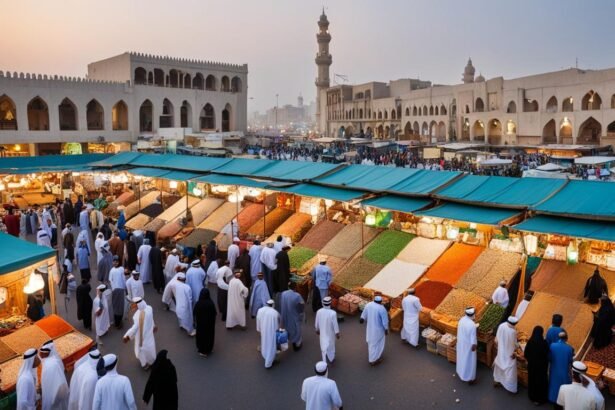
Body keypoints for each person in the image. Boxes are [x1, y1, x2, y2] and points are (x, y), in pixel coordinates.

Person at [123, 297, 157, 370]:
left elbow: (134, 329)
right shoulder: (149, 308)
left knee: (140, 351)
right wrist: (154, 326)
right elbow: (151, 318)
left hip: (141, 337)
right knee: (150, 348)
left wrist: (127, 336)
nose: (132, 306)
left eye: (134, 304)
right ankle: (151, 362)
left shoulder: (137, 316)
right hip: (149, 334)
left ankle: (144, 364)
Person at [523, 326, 549, 405]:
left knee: (533, 381)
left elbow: (526, 354)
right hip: (542, 367)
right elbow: (547, 354)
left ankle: (533, 397)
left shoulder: (530, 342)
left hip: (532, 366)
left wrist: (531, 360)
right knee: (541, 382)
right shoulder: (544, 343)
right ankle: (540, 399)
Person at [40, 340, 69, 410]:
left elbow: (61, 386)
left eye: (44, 353)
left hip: (56, 401)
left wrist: (54, 401)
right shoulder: (49, 361)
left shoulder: (54, 363)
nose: (42, 355)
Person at [360, 296, 389, 366]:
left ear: (374, 300)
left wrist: (362, 319)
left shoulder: (369, 305)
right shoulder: (382, 308)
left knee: (372, 343)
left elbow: (363, 315)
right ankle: (373, 360)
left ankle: (375, 357)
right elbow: (385, 321)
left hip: (370, 328)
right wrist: (386, 329)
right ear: (380, 301)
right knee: (378, 343)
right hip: (379, 330)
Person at [493, 316, 519, 394]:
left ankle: (496, 381)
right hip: (509, 353)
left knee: (499, 366)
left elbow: (496, 339)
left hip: (501, 351)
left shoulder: (502, 325)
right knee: (510, 370)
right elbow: (514, 344)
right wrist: (518, 346)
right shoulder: (513, 332)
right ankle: (510, 387)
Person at [548, 331, 574, 403]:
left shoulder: (552, 345)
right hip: (564, 371)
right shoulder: (569, 348)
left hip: (554, 369)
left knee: (553, 384)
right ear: (566, 338)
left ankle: (552, 398)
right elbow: (570, 361)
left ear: (558, 338)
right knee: (563, 386)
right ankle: (562, 400)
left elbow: (550, 358)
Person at [256, 299, 280, 369]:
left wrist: (259, 329)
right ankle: (268, 363)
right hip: (272, 332)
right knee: (271, 346)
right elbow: (278, 323)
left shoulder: (260, 310)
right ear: (273, 305)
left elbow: (258, 320)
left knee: (264, 343)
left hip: (263, 330)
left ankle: (265, 356)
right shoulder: (275, 313)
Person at [280, 282, 305, 351]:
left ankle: (288, 340)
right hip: (294, 315)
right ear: (295, 287)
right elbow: (302, 305)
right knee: (296, 330)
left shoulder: (283, 293)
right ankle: (296, 344)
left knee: (287, 328)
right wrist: (301, 312)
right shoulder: (297, 296)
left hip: (285, 315)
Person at [315, 296, 340, 364]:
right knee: (331, 345)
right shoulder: (333, 313)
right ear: (330, 304)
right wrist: (337, 333)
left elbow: (316, 322)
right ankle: (331, 359)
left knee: (323, 344)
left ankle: (324, 359)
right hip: (330, 333)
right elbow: (335, 324)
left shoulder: (319, 311)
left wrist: (317, 329)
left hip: (322, 333)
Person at [456, 307, 478, 384]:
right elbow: (473, 338)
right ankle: (469, 378)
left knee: (461, 358)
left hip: (461, 343)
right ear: (473, 314)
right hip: (469, 345)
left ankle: (461, 372)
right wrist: (474, 346)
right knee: (469, 361)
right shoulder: (472, 325)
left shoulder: (462, 319)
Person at [194, 288, 217, 357]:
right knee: (209, 336)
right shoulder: (211, 303)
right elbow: (214, 313)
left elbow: (194, 312)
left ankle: (202, 351)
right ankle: (209, 349)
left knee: (202, 337)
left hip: (201, 325)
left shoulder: (198, 303)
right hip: (210, 325)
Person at [108, 256, 126, 329]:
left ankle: (117, 322)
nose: (115, 263)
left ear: (119, 262)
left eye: (116, 261)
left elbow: (110, 280)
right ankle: (118, 322)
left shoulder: (114, 270)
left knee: (116, 306)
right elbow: (123, 280)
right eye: (114, 261)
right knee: (119, 306)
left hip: (117, 290)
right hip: (119, 290)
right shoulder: (120, 269)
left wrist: (113, 288)